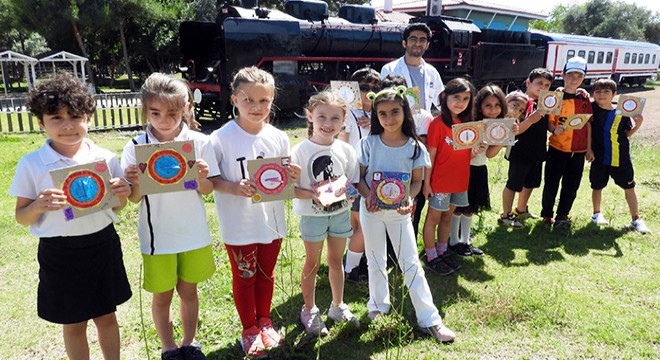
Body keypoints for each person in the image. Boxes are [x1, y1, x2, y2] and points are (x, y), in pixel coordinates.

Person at [9, 72, 132, 360]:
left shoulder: (104, 158)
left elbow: (116, 208)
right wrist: (37, 206)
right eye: (56, 118)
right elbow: (21, 216)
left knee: (107, 317)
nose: (67, 126)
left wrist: (122, 195)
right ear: (41, 122)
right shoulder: (32, 164)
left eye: (75, 116)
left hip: (103, 245)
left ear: (88, 117)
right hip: (59, 253)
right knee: (73, 323)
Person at [121, 73, 218, 360]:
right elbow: (134, 199)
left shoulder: (200, 142)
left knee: (189, 291)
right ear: (145, 111)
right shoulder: (136, 146)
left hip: (193, 233)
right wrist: (134, 183)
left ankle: (190, 342)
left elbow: (209, 190)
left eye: (173, 113)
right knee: (161, 295)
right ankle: (168, 346)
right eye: (155, 112)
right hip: (157, 238)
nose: (164, 119)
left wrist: (201, 177)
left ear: (187, 108)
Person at [209, 67, 301, 358]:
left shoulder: (278, 137)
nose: (256, 107)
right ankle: (248, 329)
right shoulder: (220, 138)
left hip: (271, 222)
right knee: (244, 275)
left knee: (266, 273)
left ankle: (265, 321)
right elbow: (210, 180)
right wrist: (233, 187)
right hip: (239, 224)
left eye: (264, 100)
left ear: (272, 100)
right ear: (235, 99)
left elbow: (282, 179)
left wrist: (293, 175)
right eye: (248, 99)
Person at [357, 85, 456, 342]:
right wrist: (369, 196)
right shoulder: (369, 143)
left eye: (394, 112)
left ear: (405, 113)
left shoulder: (414, 147)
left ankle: (429, 318)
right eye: (382, 114)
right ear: (376, 116)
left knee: (410, 262)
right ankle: (378, 306)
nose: (389, 119)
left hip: (399, 213)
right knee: (375, 258)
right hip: (372, 211)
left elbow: (415, 182)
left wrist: (409, 200)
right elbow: (359, 178)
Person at [292, 91, 361, 336]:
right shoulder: (299, 151)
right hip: (312, 217)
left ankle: (337, 305)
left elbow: (352, 182)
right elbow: (290, 189)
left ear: (344, 120)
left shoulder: (346, 150)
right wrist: (313, 194)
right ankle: (309, 309)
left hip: (340, 214)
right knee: (312, 263)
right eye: (321, 116)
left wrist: (348, 192)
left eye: (335, 118)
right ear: (310, 116)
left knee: (335, 261)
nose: (328, 123)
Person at [422, 78, 483, 276]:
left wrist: (476, 150)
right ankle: (431, 256)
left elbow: (467, 154)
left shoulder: (468, 125)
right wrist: (426, 183)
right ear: (444, 97)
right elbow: (430, 155)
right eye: (456, 97)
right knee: (433, 219)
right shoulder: (437, 124)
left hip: (460, 182)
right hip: (440, 183)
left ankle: (442, 250)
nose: (461, 102)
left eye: (466, 98)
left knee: (448, 218)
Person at [449, 84, 515, 257]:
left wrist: (506, 136)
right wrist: (475, 149)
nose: (493, 110)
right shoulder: (472, 123)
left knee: (470, 207)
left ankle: (465, 241)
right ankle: (452, 241)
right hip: (464, 170)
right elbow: (462, 153)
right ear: (479, 105)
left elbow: (491, 154)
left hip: (479, 169)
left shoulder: (497, 125)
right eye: (488, 105)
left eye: (497, 105)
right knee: (458, 206)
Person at [588, 78, 650, 234]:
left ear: (614, 94)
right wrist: (588, 149)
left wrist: (638, 125)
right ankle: (596, 214)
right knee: (597, 186)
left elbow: (627, 133)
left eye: (606, 91)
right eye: (598, 91)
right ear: (593, 94)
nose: (602, 95)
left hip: (620, 157)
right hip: (599, 157)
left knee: (629, 187)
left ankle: (636, 219)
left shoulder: (622, 112)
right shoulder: (591, 108)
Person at [338, 67, 381, 283]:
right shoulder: (347, 113)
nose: (370, 92)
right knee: (363, 225)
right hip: (356, 176)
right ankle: (351, 268)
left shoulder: (380, 114)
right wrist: (345, 177)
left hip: (374, 175)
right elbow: (342, 144)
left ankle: (356, 259)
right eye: (364, 87)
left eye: (376, 87)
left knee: (358, 224)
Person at [540, 57, 593, 228]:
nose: (574, 79)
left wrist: (589, 148)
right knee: (551, 183)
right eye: (570, 75)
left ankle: (563, 215)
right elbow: (549, 121)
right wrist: (554, 129)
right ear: (563, 75)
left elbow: (589, 124)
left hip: (578, 150)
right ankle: (547, 215)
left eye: (579, 76)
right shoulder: (555, 96)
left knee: (571, 185)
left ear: (583, 79)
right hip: (557, 147)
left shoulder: (585, 99)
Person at [380, 74, 434, 238]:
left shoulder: (423, 116)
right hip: (386, 172)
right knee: (384, 213)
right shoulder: (378, 115)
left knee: (411, 214)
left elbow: (424, 146)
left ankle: (407, 251)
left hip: (414, 174)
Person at [499, 68, 553, 228]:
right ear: (528, 83)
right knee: (514, 183)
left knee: (531, 182)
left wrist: (555, 129)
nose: (543, 87)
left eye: (547, 84)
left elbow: (547, 124)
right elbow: (512, 132)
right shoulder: (518, 103)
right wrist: (529, 120)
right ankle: (506, 215)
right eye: (539, 83)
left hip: (537, 149)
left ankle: (521, 210)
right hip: (519, 150)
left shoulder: (546, 103)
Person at [380, 22, 444, 113]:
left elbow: (441, 102)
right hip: (400, 125)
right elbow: (382, 101)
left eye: (422, 40)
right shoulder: (389, 69)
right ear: (404, 43)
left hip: (424, 124)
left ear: (427, 45)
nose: (418, 43)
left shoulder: (432, 72)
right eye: (413, 39)